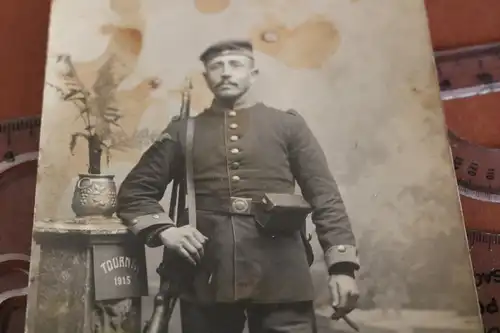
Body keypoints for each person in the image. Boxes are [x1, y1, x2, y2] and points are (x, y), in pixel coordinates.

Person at [116, 38, 360, 333]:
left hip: (281, 274)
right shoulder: (183, 132)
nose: (226, 72)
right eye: (216, 66)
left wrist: (342, 267)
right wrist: (165, 230)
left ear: (252, 73)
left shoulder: (287, 126)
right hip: (206, 273)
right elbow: (134, 193)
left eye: (236, 64)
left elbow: (325, 198)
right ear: (206, 77)